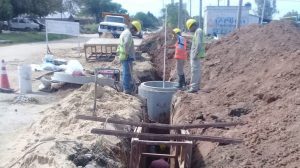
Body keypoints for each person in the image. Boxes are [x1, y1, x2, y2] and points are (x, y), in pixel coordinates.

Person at [117, 21, 142, 94]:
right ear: (133, 29)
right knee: (127, 74)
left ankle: (127, 87)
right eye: (136, 31)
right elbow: (126, 45)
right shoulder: (128, 34)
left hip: (124, 56)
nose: (135, 33)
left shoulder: (124, 32)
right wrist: (128, 54)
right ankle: (127, 89)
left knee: (126, 73)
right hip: (126, 57)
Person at [185, 19, 205, 93]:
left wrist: (196, 54)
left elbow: (199, 44)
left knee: (195, 71)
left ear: (192, 25)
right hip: (196, 55)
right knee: (196, 71)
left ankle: (193, 88)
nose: (189, 30)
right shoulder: (198, 31)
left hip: (195, 55)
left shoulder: (198, 31)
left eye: (189, 28)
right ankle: (196, 86)